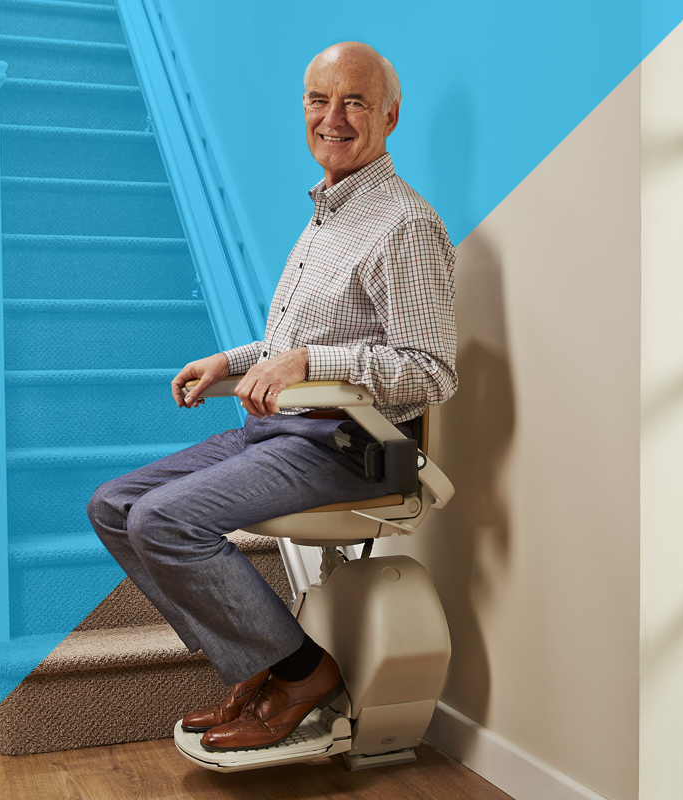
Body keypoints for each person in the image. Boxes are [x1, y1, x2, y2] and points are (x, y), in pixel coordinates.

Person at [87, 40, 458, 753]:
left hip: (356, 446)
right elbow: (296, 343)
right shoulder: (328, 214)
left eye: (355, 101)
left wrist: (306, 360)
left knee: (164, 520)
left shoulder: (405, 225)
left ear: (390, 114)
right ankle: (266, 664)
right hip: (283, 432)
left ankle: (302, 674)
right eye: (320, 100)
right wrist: (228, 359)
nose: (334, 117)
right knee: (114, 506)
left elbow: (430, 370)